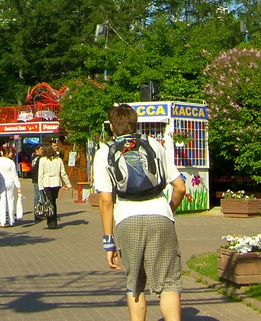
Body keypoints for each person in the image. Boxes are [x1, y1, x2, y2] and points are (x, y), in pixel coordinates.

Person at [93, 104, 186, 321]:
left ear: (112, 128)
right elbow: (180, 187)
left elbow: (106, 201)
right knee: (169, 282)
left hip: (127, 218)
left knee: (135, 284)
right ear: (136, 124)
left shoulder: (104, 152)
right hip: (160, 215)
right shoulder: (154, 145)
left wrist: (109, 241)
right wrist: (169, 210)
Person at [37, 143, 71, 228]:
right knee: (53, 202)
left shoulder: (43, 160)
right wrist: (68, 184)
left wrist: (40, 185)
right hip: (56, 183)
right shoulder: (58, 160)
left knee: (49, 202)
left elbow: (40, 174)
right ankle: (53, 221)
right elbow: (63, 173)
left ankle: (51, 222)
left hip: (46, 183)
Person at [0, 145, 21, 227]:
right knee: (11, 201)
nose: (12, 154)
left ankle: (2, 222)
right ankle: (11, 220)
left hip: (0, 181)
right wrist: (18, 186)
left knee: (1, 201)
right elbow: (14, 175)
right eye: (11, 152)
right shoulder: (11, 162)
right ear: (8, 153)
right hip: (10, 182)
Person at [31, 144, 45, 219]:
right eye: (41, 149)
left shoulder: (33, 158)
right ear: (37, 150)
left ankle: (37, 212)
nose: (43, 151)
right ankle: (40, 212)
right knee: (40, 196)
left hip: (35, 179)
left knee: (37, 195)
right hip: (38, 179)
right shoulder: (39, 158)